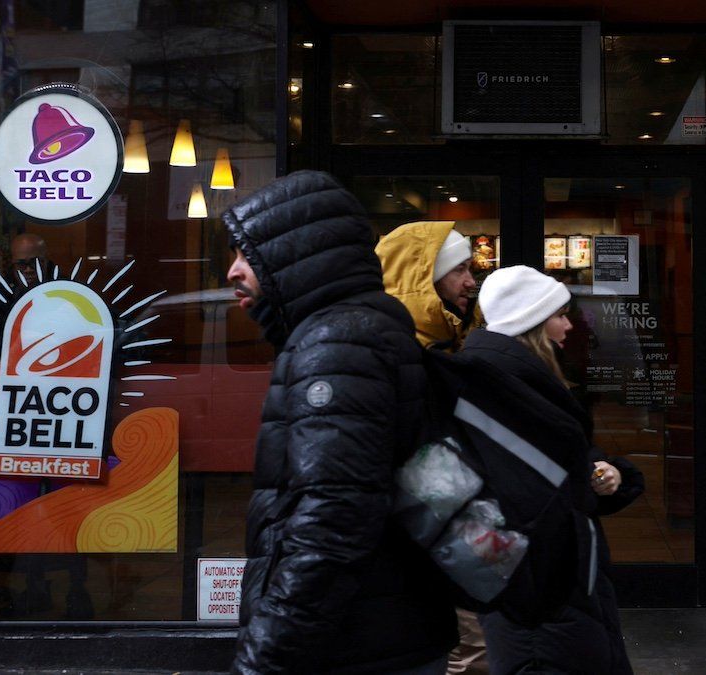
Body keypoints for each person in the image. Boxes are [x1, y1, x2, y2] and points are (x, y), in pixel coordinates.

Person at [224, 171, 457, 674]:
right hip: (384, 628)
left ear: (292, 256)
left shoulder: (335, 343)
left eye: (247, 255)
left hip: (355, 644)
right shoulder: (359, 328)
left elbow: (333, 517)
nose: (233, 271)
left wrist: (269, 652)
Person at [456, 265, 643, 675]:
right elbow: (530, 490)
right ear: (533, 325)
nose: (569, 325)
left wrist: (609, 473)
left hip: (548, 581)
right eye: (560, 315)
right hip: (541, 585)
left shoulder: (517, 378)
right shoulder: (501, 384)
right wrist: (591, 481)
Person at [376, 221, 487, 673]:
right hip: (432, 535)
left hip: (452, 530)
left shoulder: (448, 343)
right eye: (459, 269)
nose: (471, 282)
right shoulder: (399, 351)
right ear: (423, 275)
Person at [376, 221, 477, 352]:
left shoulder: (455, 338)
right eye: (459, 269)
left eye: (470, 269)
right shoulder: (391, 350)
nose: (471, 282)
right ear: (426, 279)